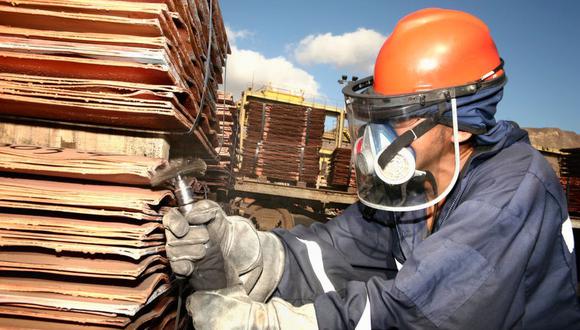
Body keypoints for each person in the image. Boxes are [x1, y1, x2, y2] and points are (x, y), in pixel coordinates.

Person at [163, 8, 580, 329]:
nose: (379, 136)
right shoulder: (419, 188)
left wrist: (268, 323)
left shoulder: (510, 194)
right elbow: (332, 256)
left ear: (457, 127)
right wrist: (248, 250)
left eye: (397, 118)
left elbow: (416, 314)